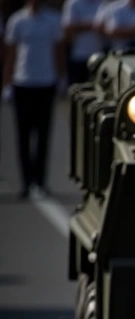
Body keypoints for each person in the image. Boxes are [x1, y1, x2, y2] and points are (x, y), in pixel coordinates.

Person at [2, 0, 65, 199]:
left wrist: (61, 77)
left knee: (43, 135)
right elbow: (10, 54)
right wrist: (7, 83)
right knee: (23, 136)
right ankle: (26, 182)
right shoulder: (17, 20)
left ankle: (41, 181)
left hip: (46, 81)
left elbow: (59, 50)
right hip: (23, 82)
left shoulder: (53, 20)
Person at [62, 0, 104, 85]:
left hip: (100, 57)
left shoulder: (103, 3)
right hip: (79, 56)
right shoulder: (73, 3)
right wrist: (90, 25)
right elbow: (68, 28)